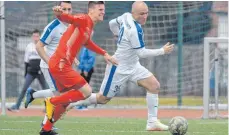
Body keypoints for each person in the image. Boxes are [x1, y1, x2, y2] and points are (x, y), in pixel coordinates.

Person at [67, 1, 174, 131]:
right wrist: (162, 51)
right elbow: (141, 52)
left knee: (154, 85)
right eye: (141, 14)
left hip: (134, 66)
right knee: (102, 99)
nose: (145, 16)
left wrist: (117, 34)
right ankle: (72, 101)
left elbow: (112, 23)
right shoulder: (134, 30)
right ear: (133, 13)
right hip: (118, 68)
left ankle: (152, 122)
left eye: (146, 13)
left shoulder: (125, 16)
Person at [40, 1, 118, 135]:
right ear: (91, 10)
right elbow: (68, 18)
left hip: (59, 64)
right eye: (100, 9)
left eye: (103, 9)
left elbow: (87, 43)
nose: (103, 12)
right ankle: (51, 101)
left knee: (64, 103)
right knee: (87, 91)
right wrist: (59, 13)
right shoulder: (83, 19)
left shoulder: (89, 26)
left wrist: (104, 53)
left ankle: (46, 129)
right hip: (61, 64)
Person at [24, 1, 72, 131]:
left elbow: (62, 46)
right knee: (60, 95)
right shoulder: (53, 27)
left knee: (60, 93)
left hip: (60, 66)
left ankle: (33, 95)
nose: (67, 12)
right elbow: (39, 46)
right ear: (59, 10)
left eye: (69, 9)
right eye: (64, 9)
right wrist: (50, 62)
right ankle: (46, 124)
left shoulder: (68, 26)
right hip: (48, 66)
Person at [7, 29, 48, 111]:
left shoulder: (43, 46)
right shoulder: (29, 46)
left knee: (46, 90)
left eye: (37, 36)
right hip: (31, 73)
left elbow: (45, 59)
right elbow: (26, 61)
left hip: (41, 72)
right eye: (34, 36)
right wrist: (26, 73)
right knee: (24, 89)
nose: (35, 38)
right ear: (32, 37)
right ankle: (16, 106)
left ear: (40, 37)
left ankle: (47, 107)